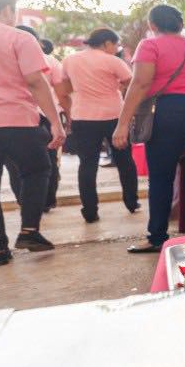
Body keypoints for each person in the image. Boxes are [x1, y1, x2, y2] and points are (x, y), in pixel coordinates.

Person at [113, 4, 185, 253]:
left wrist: (122, 124)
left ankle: (157, 237)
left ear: (152, 25)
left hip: (170, 111)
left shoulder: (150, 45)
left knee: (162, 176)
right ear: (180, 25)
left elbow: (139, 84)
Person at [0, 0, 63, 265]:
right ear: (4, 10)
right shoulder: (17, 37)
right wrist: (56, 122)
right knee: (37, 170)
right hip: (19, 122)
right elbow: (37, 82)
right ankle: (29, 230)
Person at [56, 28, 140, 222]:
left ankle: (90, 211)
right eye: (116, 45)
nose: (116, 49)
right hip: (113, 117)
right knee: (125, 161)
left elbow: (63, 90)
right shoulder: (112, 61)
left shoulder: (70, 60)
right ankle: (131, 202)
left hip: (82, 118)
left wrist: (70, 111)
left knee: (87, 165)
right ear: (107, 43)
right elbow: (133, 84)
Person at [3, 27, 63, 214]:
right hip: (43, 115)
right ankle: (46, 201)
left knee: (14, 164)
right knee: (47, 161)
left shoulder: (2, 59)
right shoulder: (50, 60)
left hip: (10, 117)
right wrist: (62, 118)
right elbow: (60, 90)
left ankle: (23, 200)